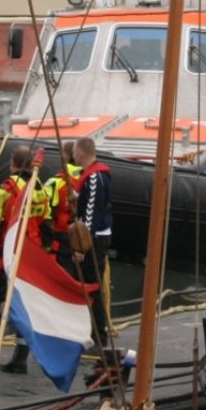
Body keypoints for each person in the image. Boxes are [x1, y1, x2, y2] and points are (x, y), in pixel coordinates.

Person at [0, 145, 51, 376]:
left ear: (12, 164)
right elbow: (47, 228)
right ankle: (20, 359)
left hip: (1, 259)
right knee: (23, 307)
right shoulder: (41, 192)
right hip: (29, 261)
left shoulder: (3, 191)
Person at [73, 137, 113, 352]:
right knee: (88, 286)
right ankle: (91, 333)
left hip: (94, 239)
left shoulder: (95, 177)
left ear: (81, 153)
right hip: (94, 237)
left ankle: (99, 337)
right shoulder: (88, 176)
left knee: (92, 287)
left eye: (75, 152)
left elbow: (91, 213)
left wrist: (81, 246)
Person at [44, 140, 82, 276]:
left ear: (65, 156)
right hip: (83, 236)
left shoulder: (56, 182)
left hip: (62, 237)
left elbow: (46, 212)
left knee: (60, 275)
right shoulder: (88, 178)